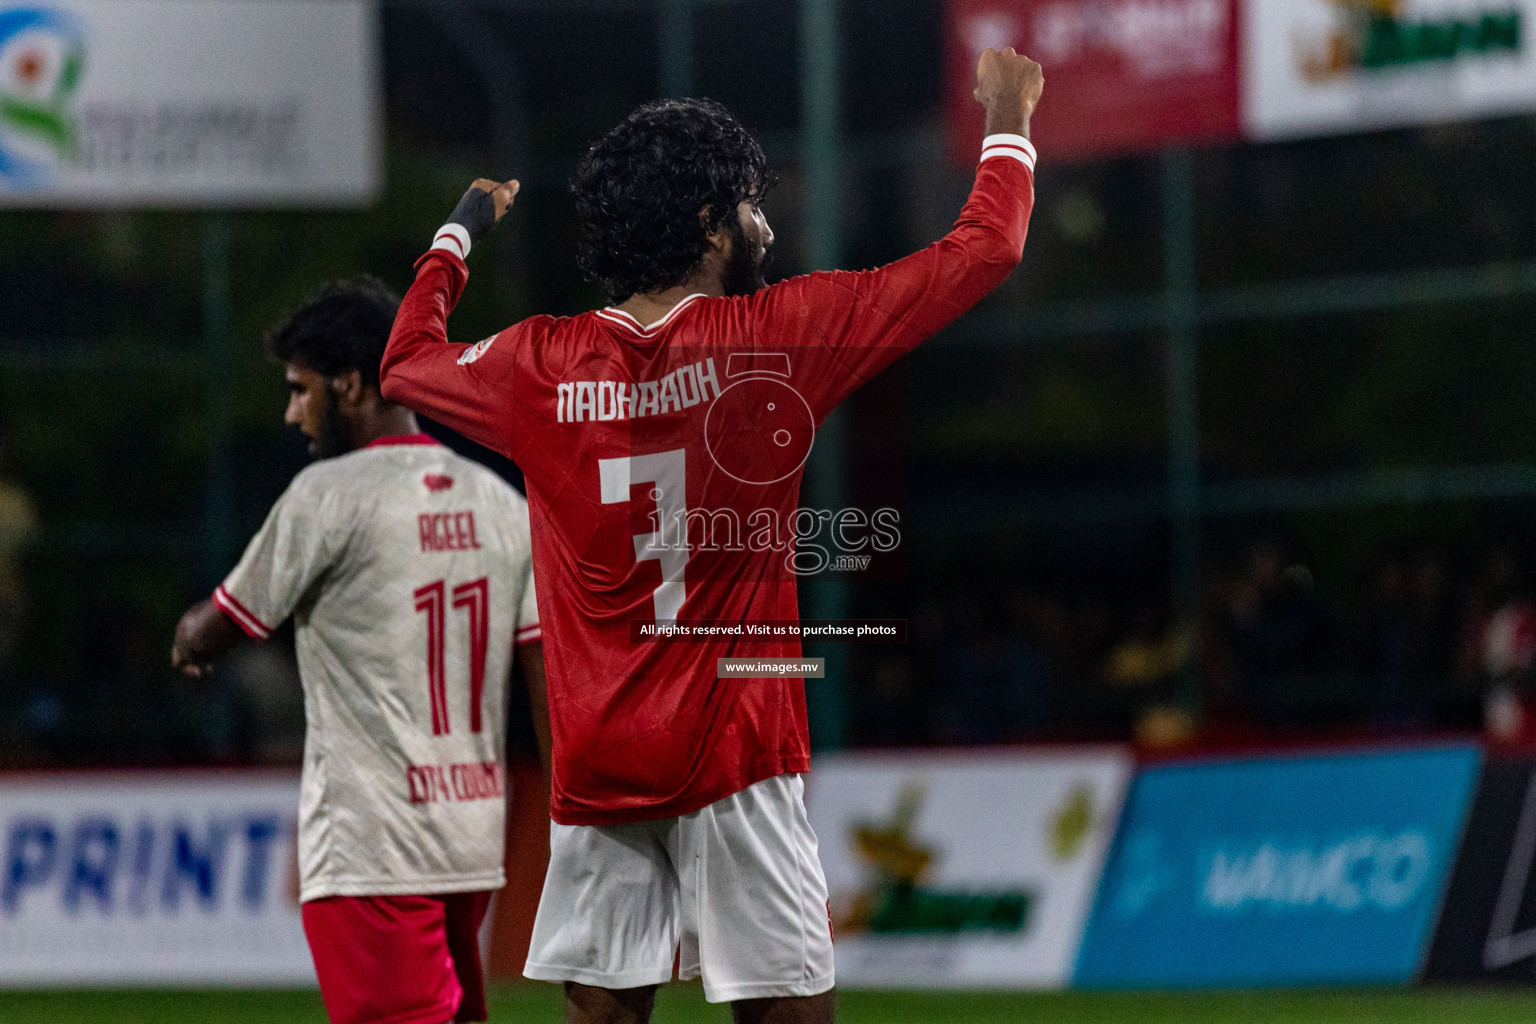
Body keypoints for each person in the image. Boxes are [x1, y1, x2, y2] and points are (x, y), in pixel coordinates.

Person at [379, 47, 1042, 1024]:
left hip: (601, 760)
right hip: (737, 752)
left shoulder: (536, 366)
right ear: (707, 225)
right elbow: (983, 249)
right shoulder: (778, 337)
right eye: (751, 203)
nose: (765, 223)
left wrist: (460, 232)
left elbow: (403, 364)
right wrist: (1009, 117)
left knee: (605, 1015)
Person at [171, 276, 545, 1024]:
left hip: (373, 843)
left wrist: (189, 639)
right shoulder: (501, 502)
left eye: (300, 389)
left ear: (350, 384)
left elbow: (213, 627)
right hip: (471, 840)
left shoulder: (327, 496)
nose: (292, 412)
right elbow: (543, 667)